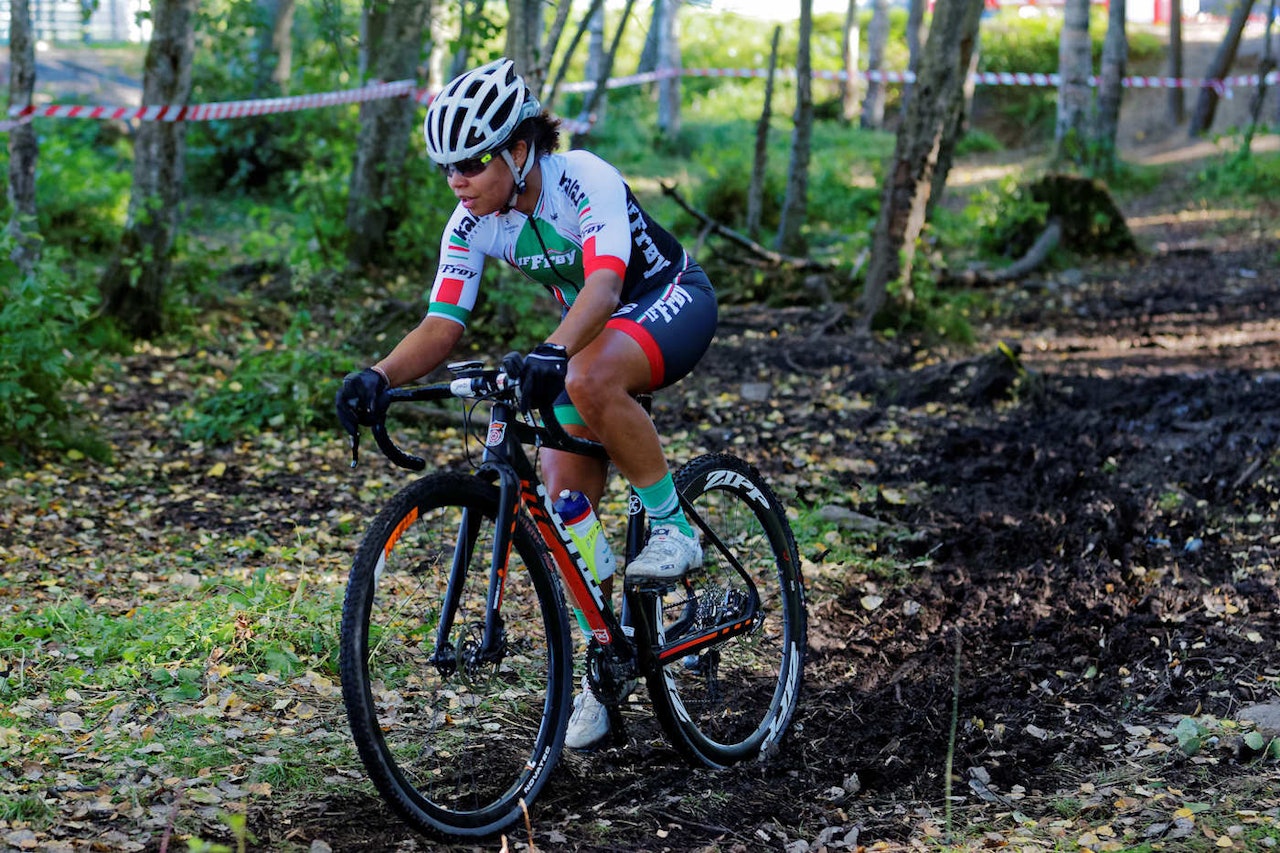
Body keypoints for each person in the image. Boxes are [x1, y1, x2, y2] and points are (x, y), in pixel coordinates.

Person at [336, 58, 718, 750]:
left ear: (518, 150)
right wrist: (378, 375)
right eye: (447, 169)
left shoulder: (582, 178)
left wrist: (552, 350)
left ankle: (673, 526)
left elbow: (604, 289)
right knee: (565, 500)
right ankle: (608, 654)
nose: (458, 181)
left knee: (586, 377)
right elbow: (441, 326)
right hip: (594, 333)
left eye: (472, 164)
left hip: (667, 299)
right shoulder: (470, 223)